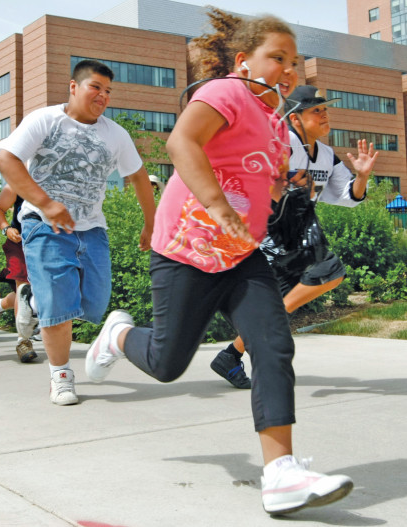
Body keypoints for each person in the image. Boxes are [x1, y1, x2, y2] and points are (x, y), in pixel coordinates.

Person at [84, 9, 353, 515]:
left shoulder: (276, 121)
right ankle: (117, 335)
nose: (287, 68)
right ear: (243, 60)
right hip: (186, 250)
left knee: (273, 344)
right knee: (167, 363)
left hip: (240, 254)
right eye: (277, 57)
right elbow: (181, 142)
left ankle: (281, 475)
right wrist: (217, 204)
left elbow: (258, 176)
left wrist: (277, 188)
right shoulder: (224, 92)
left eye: (293, 61)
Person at [0, 59, 156, 405]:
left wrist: (151, 222)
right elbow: (6, 160)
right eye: (95, 87)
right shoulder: (45, 120)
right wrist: (46, 202)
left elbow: (139, 176)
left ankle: (34, 299)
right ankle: (61, 376)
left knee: (94, 304)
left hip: (92, 228)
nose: (103, 95)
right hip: (44, 224)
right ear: (73, 86)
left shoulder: (115, 134)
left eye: (108, 91)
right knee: (59, 307)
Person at [211, 84, 379, 389]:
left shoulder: (326, 155)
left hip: (296, 235)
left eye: (326, 109)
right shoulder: (278, 142)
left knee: (278, 302)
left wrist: (363, 177)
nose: (325, 115)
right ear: (296, 118)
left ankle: (230, 356)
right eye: (317, 110)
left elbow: (345, 195)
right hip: (266, 232)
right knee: (329, 270)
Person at [0, 184, 38, 362]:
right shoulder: (17, 179)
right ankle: (23, 341)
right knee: (24, 289)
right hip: (19, 242)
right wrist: (6, 228)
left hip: (46, 243)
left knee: (36, 295)